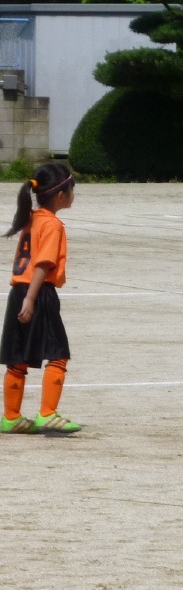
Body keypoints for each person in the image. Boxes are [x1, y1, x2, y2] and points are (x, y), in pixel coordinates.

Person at [1, 163, 80, 433]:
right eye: (72, 190)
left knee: (18, 358)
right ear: (60, 195)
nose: (73, 196)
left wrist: (24, 298)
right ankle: (47, 413)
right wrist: (31, 300)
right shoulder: (52, 225)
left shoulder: (31, 218)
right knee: (58, 353)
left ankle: (11, 417)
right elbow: (43, 264)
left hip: (18, 291)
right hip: (38, 292)